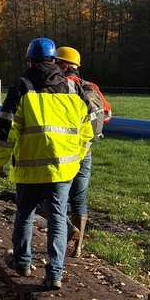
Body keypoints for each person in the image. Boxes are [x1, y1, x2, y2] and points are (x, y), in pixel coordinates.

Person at [0, 37, 93, 290]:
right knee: (58, 218)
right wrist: (78, 156)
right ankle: (55, 274)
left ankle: (23, 262)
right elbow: (87, 129)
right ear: (54, 60)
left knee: (25, 214)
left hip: (29, 168)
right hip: (63, 168)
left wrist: (0, 161)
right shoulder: (72, 88)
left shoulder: (23, 86)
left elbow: (6, 126)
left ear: (29, 60)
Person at [55, 46, 112, 257]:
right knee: (80, 198)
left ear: (62, 65)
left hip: (64, 150)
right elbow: (106, 115)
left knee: (55, 195)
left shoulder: (58, 86)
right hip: (85, 150)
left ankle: (69, 231)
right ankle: (78, 248)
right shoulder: (91, 87)